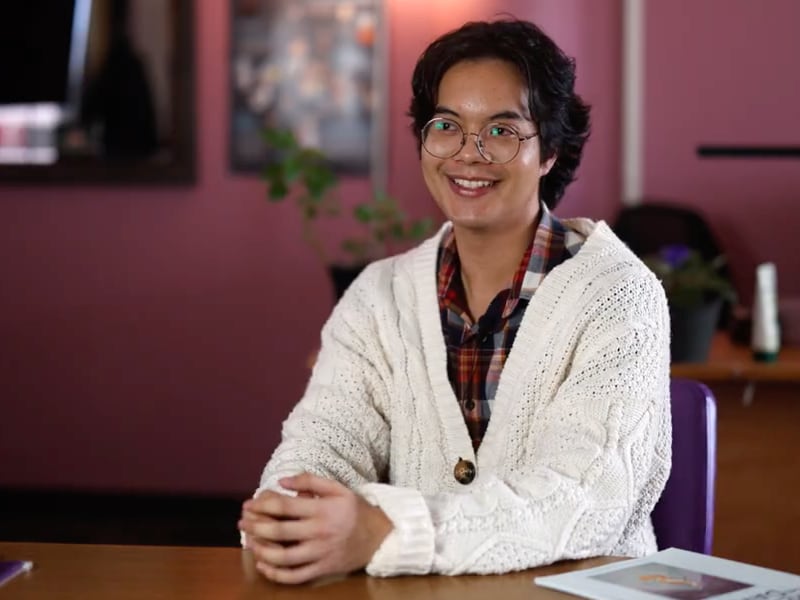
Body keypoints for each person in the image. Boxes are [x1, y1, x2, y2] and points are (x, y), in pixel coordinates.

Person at [238, 18, 671, 584]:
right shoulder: (377, 295)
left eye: (501, 131)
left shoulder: (620, 297)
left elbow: (585, 499)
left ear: (550, 152)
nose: (469, 154)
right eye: (446, 125)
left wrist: (384, 531)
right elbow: (323, 443)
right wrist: (289, 513)